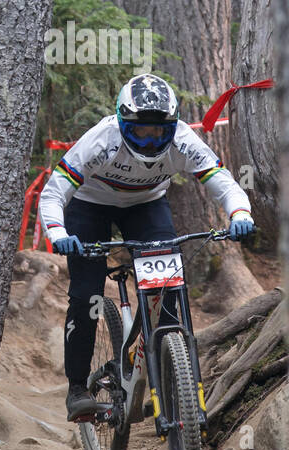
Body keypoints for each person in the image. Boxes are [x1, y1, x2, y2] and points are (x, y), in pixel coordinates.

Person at [38, 75, 256, 419]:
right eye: (141, 131)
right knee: (86, 295)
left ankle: (168, 375)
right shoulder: (100, 140)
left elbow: (223, 182)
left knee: (168, 290)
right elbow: (53, 192)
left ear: (172, 126)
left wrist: (240, 212)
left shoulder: (183, 139)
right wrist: (57, 232)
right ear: (124, 124)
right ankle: (77, 387)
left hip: (146, 205)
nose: (151, 139)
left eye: (159, 132)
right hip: (89, 205)